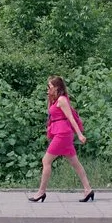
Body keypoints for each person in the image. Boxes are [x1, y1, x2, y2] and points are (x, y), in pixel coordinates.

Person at [28, 75, 94, 203]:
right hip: (61, 132)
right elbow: (50, 114)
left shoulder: (62, 100)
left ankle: (41, 192)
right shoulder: (55, 100)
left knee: (46, 160)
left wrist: (80, 134)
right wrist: (50, 98)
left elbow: (71, 118)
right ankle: (88, 189)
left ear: (57, 87)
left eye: (50, 87)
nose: (48, 89)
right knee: (75, 163)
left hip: (62, 134)